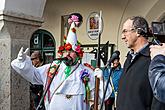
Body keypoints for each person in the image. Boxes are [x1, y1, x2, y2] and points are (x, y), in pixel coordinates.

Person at [11, 13, 111, 110]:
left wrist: (101, 79)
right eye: (65, 51)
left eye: (71, 51)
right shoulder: (51, 69)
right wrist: (23, 61)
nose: (67, 54)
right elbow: (33, 74)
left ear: (78, 54)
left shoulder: (87, 71)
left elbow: (103, 96)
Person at [117, 16, 165, 110]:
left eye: (125, 31)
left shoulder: (155, 58)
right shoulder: (129, 58)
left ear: (138, 32)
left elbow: (159, 99)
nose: (123, 37)